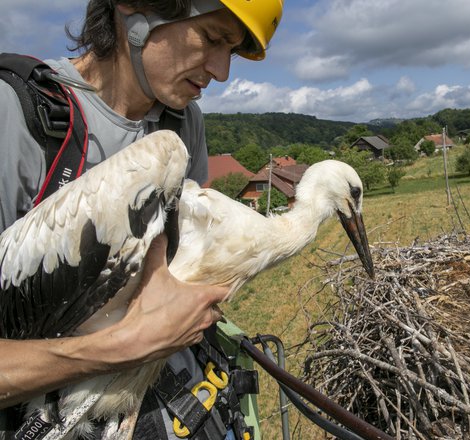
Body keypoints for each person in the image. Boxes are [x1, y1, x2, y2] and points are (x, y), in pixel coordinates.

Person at [0, 0, 283, 437]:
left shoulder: (184, 123)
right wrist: (124, 347)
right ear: (132, 8)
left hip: (183, 406)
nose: (222, 72)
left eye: (232, 51)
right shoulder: (15, 114)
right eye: (211, 38)